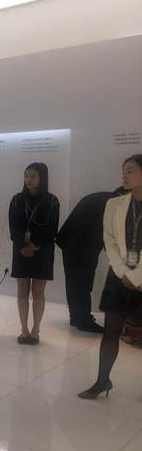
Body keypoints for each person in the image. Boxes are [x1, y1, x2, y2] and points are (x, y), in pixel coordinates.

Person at [79, 155, 142, 399]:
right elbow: (109, 240)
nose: (124, 175)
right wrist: (124, 272)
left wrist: (136, 275)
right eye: (123, 170)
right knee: (111, 331)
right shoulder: (114, 204)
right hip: (119, 276)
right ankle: (102, 380)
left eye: (130, 170)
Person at [56, 187, 127, 332]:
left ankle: (77, 317)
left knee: (74, 282)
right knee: (83, 283)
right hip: (80, 245)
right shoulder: (112, 204)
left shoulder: (105, 198)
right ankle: (84, 321)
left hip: (71, 241)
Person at [9, 163, 60, 345]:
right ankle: (23, 330)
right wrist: (23, 246)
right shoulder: (17, 200)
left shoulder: (52, 200)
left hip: (42, 250)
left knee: (38, 291)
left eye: (33, 176)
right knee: (22, 290)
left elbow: (52, 228)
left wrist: (34, 245)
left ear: (42, 178)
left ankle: (35, 330)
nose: (28, 180)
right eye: (26, 176)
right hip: (20, 250)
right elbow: (13, 227)